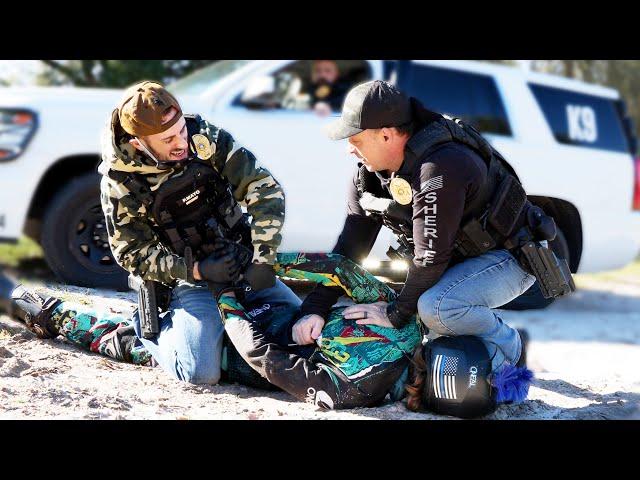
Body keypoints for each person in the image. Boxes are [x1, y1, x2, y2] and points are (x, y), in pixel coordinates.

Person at [9, 80, 301, 386]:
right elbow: (130, 252)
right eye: (167, 139)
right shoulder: (121, 181)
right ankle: (140, 331)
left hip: (238, 261)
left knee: (302, 332)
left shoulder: (204, 138)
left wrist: (262, 257)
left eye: (180, 131)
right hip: (188, 281)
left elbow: (263, 188)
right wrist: (196, 270)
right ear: (138, 143)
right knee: (200, 372)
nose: (181, 143)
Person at [0, 255, 533, 417]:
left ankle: (36, 307)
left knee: (171, 359)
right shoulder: (403, 331)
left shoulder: (359, 386)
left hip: (232, 345)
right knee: (228, 261)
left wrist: (232, 294)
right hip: (273, 310)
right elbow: (346, 272)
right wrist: (263, 267)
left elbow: (265, 361)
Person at [293, 80, 574, 377]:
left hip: (509, 258)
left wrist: (395, 313)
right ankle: (474, 336)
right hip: (453, 259)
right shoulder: (368, 174)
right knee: (411, 306)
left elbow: (429, 259)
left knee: (436, 307)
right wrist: (314, 308)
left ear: (386, 135)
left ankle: (513, 346)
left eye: (356, 139)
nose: (349, 150)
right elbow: (349, 249)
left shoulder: (441, 166)